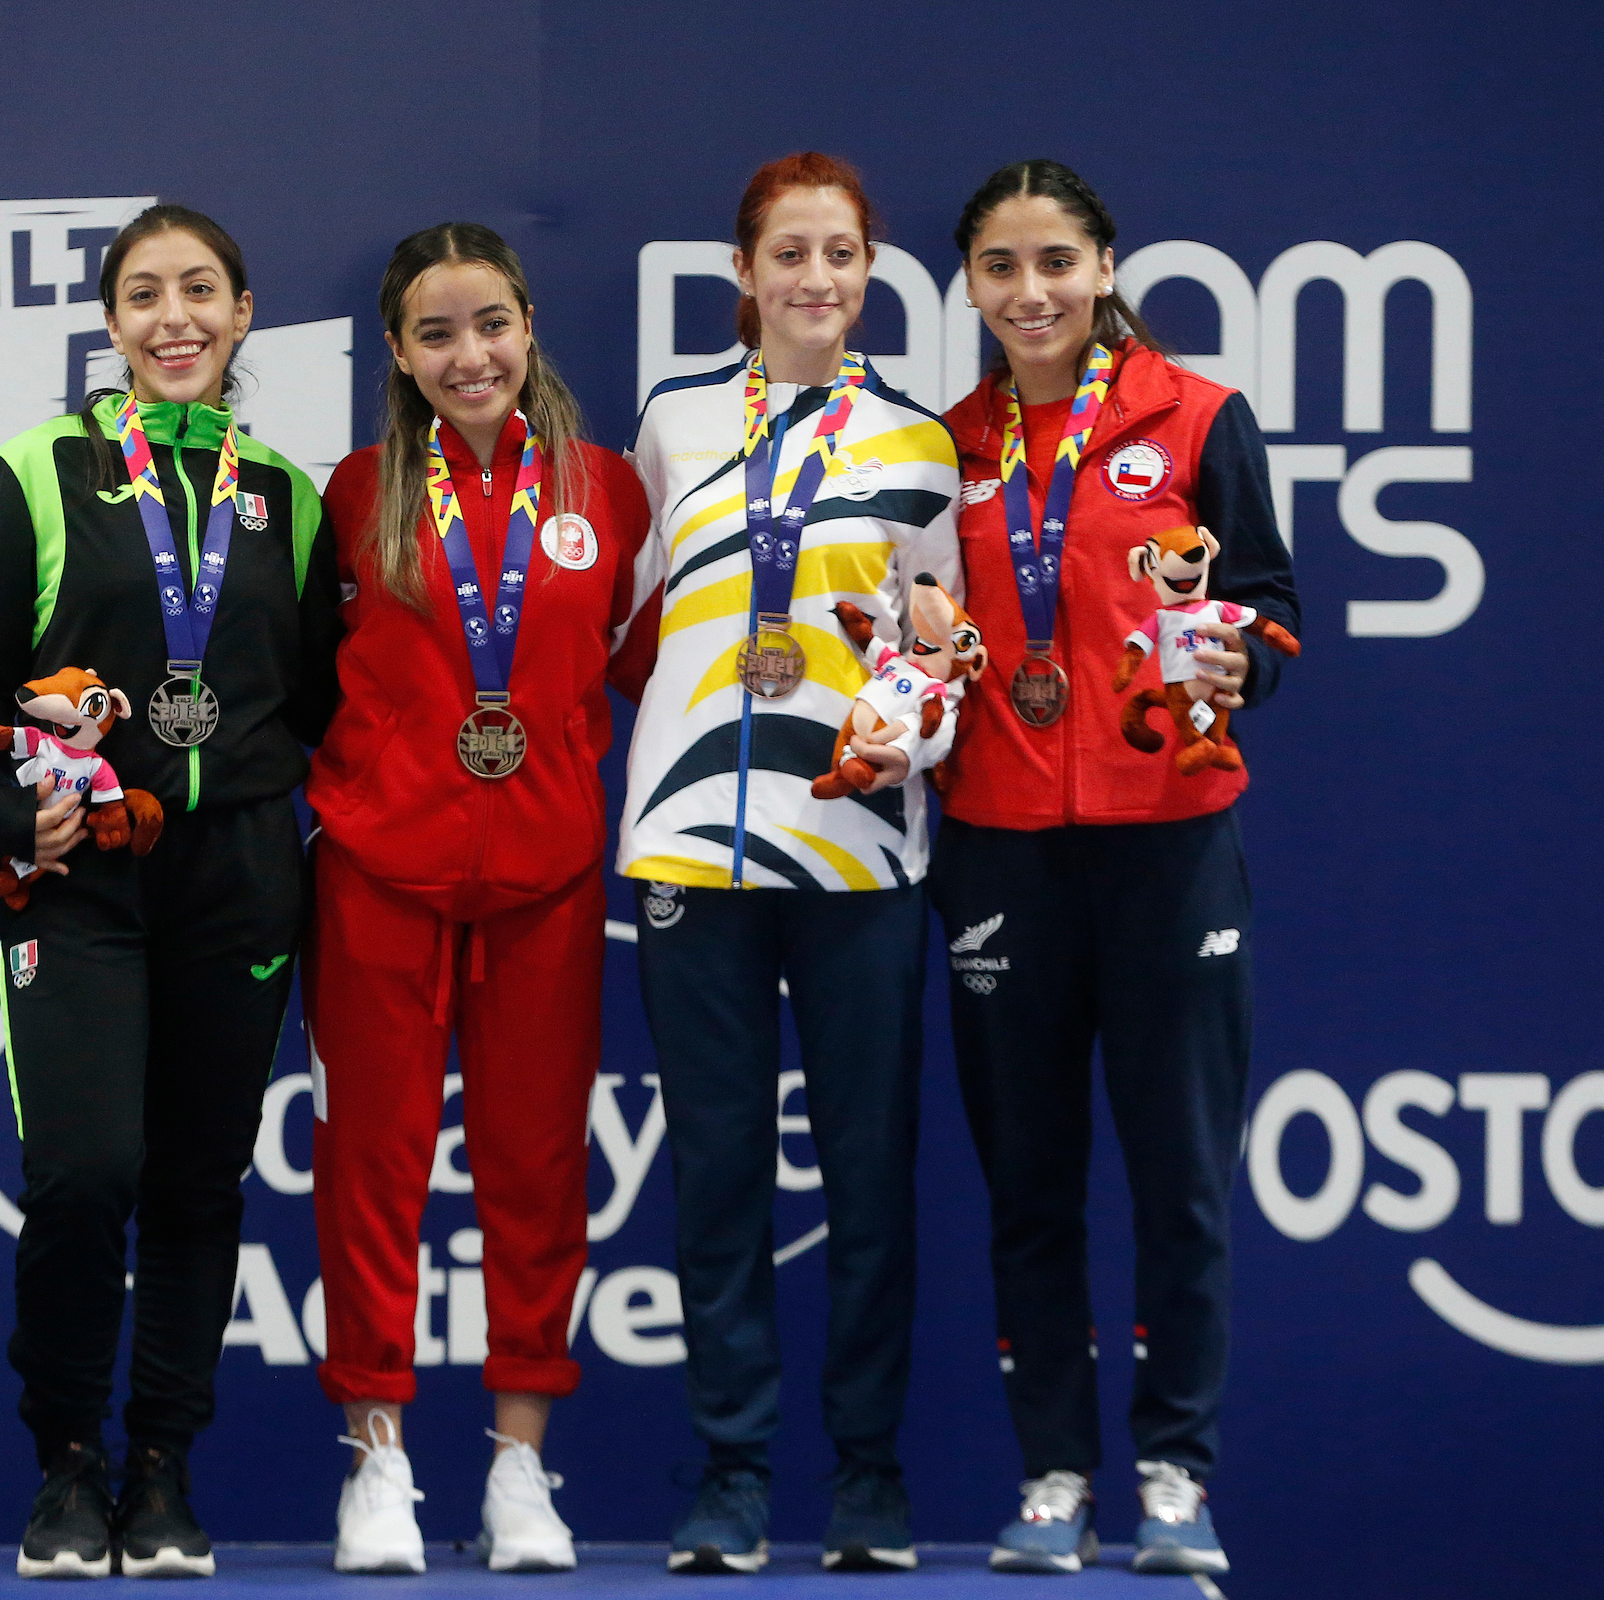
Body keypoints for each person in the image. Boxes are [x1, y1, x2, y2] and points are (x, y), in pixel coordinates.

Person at [0, 204, 340, 1579]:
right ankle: (66, 1461)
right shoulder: (41, 471)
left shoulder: (289, 495)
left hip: (240, 880)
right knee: (84, 1174)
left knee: (199, 1185)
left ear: (243, 312)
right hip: (83, 876)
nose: (176, 318)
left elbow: (320, 706)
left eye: (201, 290)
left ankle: (161, 1468)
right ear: (112, 322)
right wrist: (4, 813)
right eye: (147, 294)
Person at [930, 158, 1301, 1578]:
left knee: (1182, 1181)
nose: (1030, 293)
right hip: (1002, 851)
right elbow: (915, 630)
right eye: (1001, 266)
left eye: (1055, 262)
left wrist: (1240, 662)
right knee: (1030, 1185)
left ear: (1103, 267)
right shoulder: (949, 445)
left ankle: (1174, 1472)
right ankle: (1053, 1476)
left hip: (1169, 845)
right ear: (970, 283)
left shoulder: (1197, 417)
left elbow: (1269, 607)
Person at [620, 150, 962, 1574]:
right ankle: (733, 1476)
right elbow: (631, 621)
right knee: (717, 1179)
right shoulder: (674, 419)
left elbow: (940, 656)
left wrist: (913, 726)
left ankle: (869, 1477)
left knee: (870, 1178)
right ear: (743, 273)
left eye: (841, 254)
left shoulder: (921, 443)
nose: (816, 278)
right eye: (789, 253)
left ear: (869, 272)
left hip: (859, 847)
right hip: (692, 844)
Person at [301, 222, 652, 1576]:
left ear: (528, 325)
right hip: (379, 873)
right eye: (436, 333)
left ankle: (519, 1468)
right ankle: (376, 1465)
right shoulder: (356, 491)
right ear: (397, 353)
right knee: (371, 1172)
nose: (470, 355)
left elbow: (645, 659)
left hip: (545, 878)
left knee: (537, 1169)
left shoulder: (605, 490)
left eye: (490, 323)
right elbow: (313, 674)